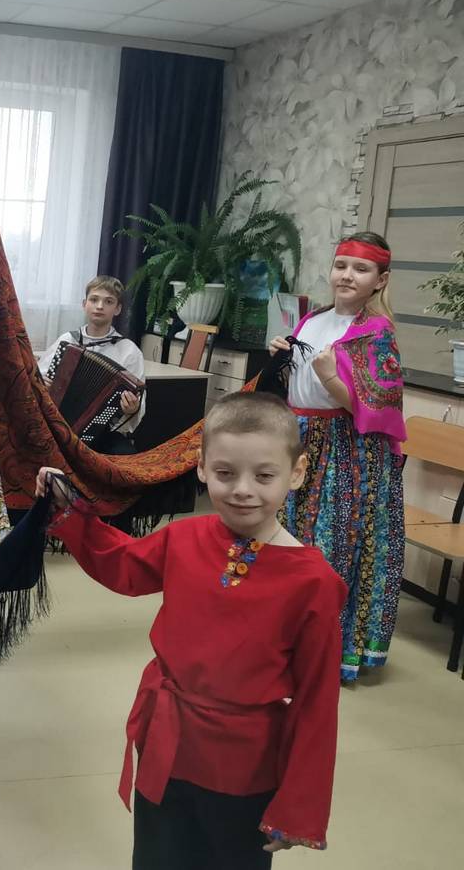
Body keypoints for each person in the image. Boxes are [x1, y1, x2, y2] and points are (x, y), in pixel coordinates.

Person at [38, 392, 346, 868]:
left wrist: (298, 806)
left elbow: (316, 702)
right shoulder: (185, 538)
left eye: (264, 476)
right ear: (201, 468)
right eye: (225, 473)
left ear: (297, 472)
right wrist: (71, 511)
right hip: (165, 748)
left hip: (243, 771)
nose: (243, 490)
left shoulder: (314, 583)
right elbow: (124, 564)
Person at [269, 231, 406, 682]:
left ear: (379, 280)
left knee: (331, 547)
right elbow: (297, 383)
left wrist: (329, 378)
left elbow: (378, 407)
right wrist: (282, 355)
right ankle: (283, 639)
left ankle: (327, 651)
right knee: (289, 537)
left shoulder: (376, 331)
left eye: (360, 269)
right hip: (301, 440)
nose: (347, 275)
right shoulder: (313, 319)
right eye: (341, 265)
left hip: (347, 453)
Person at [39, 275, 146, 455]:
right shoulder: (67, 340)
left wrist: (132, 409)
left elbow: (139, 404)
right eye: (94, 299)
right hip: (58, 424)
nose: (99, 306)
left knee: (125, 456)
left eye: (108, 301)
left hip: (104, 432)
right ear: (84, 304)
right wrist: (42, 384)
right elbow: (37, 380)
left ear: (117, 309)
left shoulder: (129, 351)